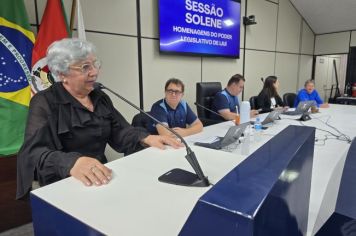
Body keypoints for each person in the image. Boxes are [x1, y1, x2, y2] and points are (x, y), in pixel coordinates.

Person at [16, 38, 182, 199]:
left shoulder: (99, 97)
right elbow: (33, 153)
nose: (94, 72)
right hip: (65, 182)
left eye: (95, 64)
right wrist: (72, 163)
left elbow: (120, 131)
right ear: (62, 73)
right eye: (85, 67)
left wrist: (145, 137)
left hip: (100, 176)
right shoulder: (45, 102)